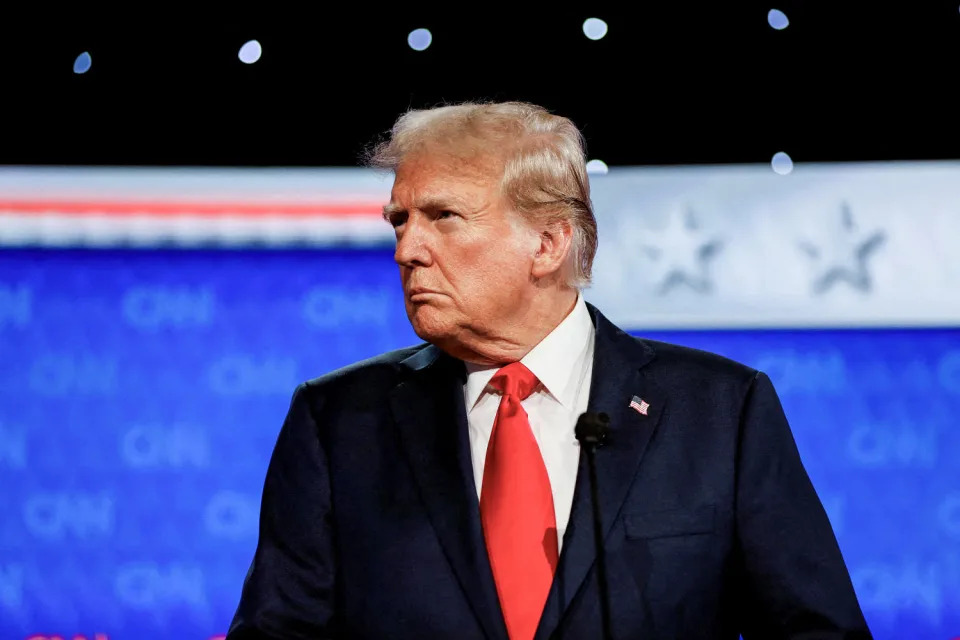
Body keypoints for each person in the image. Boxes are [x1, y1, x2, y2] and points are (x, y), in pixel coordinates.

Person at [225, 102, 871, 639]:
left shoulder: (722, 412)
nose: (407, 250)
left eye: (443, 217)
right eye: (400, 221)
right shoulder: (338, 423)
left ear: (548, 242)